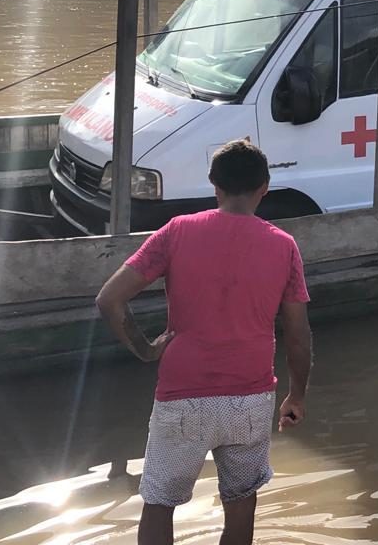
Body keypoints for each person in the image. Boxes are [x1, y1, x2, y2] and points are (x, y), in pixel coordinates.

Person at [96, 140, 312, 545]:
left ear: (214, 185)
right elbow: (298, 335)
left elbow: (109, 299)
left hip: (183, 397)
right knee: (241, 505)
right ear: (265, 187)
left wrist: (146, 349)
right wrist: (296, 395)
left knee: (159, 504)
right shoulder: (283, 246)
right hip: (249, 399)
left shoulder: (178, 231)